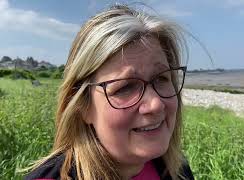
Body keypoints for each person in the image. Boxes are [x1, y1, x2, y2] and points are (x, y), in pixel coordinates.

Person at [25, 4, 193, 180]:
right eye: (125, 87)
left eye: (161, 79)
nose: (156, 104)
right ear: (83, 106)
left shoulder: (177, 170)